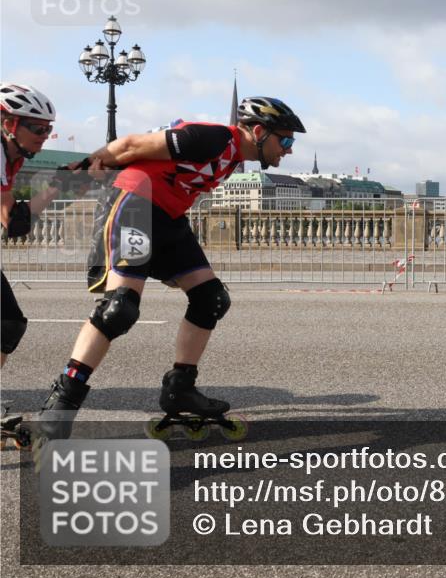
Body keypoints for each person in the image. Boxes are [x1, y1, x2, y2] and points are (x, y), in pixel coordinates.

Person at [34, 96, 306, 443]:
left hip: (168, 218)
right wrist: (71, 179)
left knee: (211, 299)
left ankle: (180, 388)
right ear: (258, 131)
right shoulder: (214, 138)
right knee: (119, 309)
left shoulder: (233, 158)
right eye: (285, 140)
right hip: (135, 204)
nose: (289, 149)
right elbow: (131, 145)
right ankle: (63, 400)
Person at [0, 83, 75, 447]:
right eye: (37, 128)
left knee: (8, 324)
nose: (45, 136)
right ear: (9, 123)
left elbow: (11, 221)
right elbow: (15, 222)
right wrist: (58, 185)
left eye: (48, 129)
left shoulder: (10, 156)